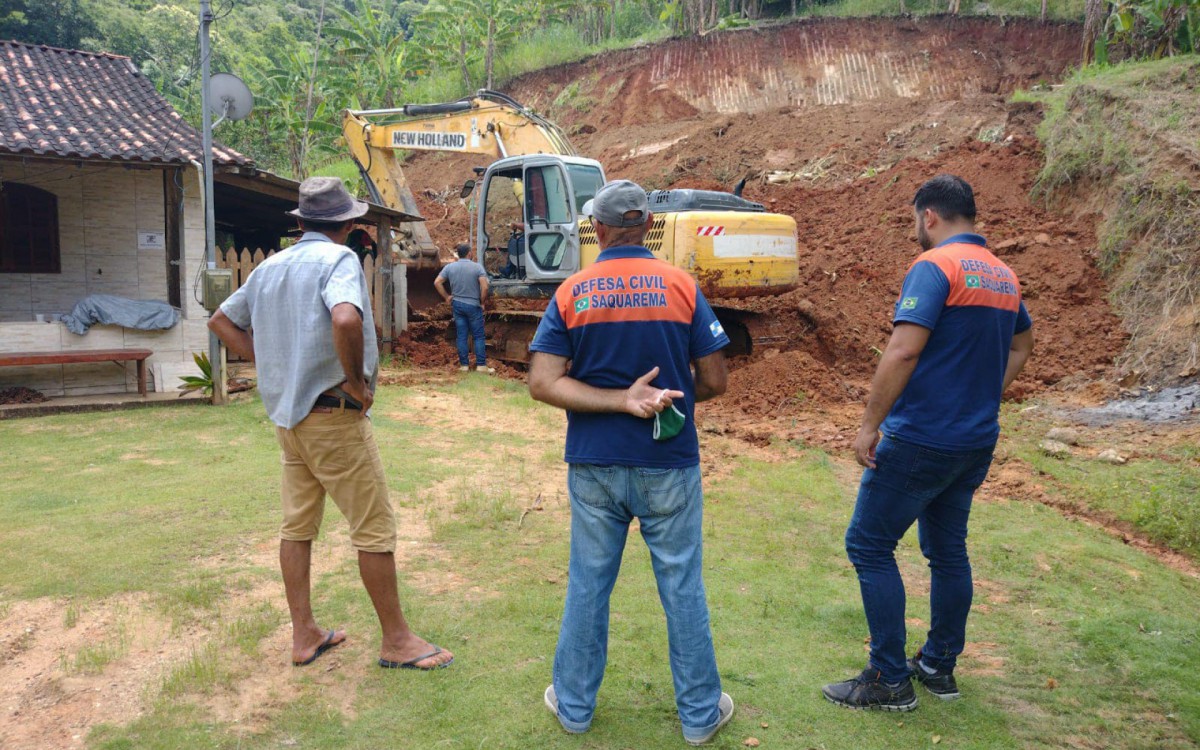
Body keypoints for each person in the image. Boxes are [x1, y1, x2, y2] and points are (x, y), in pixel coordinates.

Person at [208, 176, 454, 672]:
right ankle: (398, 641)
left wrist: (275, 364)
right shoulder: (338, 259)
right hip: (332, 415)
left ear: (299, 222)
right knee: (374, 527)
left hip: (290, 422)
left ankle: (304, 635)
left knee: (296, 527)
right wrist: (356, 382)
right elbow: (345, 320)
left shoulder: (271, 267)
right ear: (348, 224)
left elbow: (220, 320)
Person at [528, 179, 735, 746]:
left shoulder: (573, 291)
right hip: (669, 461)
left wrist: (615, 400)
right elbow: (714, 379)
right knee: (682, 586)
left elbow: (543, 383)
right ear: (649, 226)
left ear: (596, 228)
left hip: (594, 463)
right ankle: (698, 717)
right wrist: (665, 397)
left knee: (589, 586)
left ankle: (573, 708)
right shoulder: (682, 287)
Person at [822, 175, 1034, 710]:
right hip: (974, 440)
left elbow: (902, 352)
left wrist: (870, 424)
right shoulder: (1003, 276)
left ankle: (889, 679)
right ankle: (939, 666)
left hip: (922, 438)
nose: (915, 229)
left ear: (930, 216)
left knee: (868, 545)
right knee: (947, 551)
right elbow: (1025, 342)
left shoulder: (935, 266)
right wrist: (986, 392)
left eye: (915, 219)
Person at [434, 243, 491, 373]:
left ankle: (464, 366)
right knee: (478, 336)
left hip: (457, 305)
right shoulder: (477, 267)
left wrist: (447, 297)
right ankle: (481, 365)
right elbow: (485, 287)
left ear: (458, 254)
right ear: (469, 253)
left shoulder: (450, 267)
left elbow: (437, 282)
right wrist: (482, 302)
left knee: (461, 336)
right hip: (473, 305)